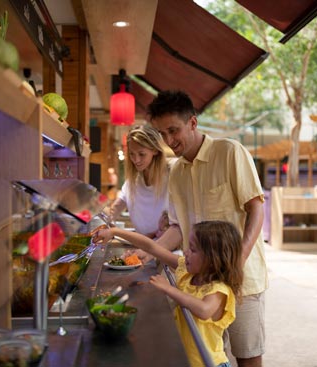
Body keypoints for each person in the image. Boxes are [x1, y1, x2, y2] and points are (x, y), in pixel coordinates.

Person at [146, 90, 268, 367]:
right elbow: (178, 227)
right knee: (208, 357)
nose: (168, 141)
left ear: (192, 122)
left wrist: (238, 261)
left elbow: (256, 208)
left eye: (173, 130)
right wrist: (149, 252)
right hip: (200, 284)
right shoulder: (175, 171)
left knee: (248, 356)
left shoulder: (230, 152)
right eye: (161, 134)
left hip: (242, 282)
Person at [96, 220, 243, 367]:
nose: (186, 252)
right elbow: (151, 247)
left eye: (192, 249)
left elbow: (204, 310)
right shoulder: (188, 273)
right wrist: (115, 232)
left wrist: (169, 289)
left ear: (212, 259)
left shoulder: (219, 290)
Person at [107, 124, 172, 238]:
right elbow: (116, 208)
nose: (136, 160)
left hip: (167, 248)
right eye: (132, 154)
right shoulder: (133, 181)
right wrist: (106, 219)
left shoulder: (171, 177)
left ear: (155, 151)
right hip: (143, 246)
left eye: (142, 154)